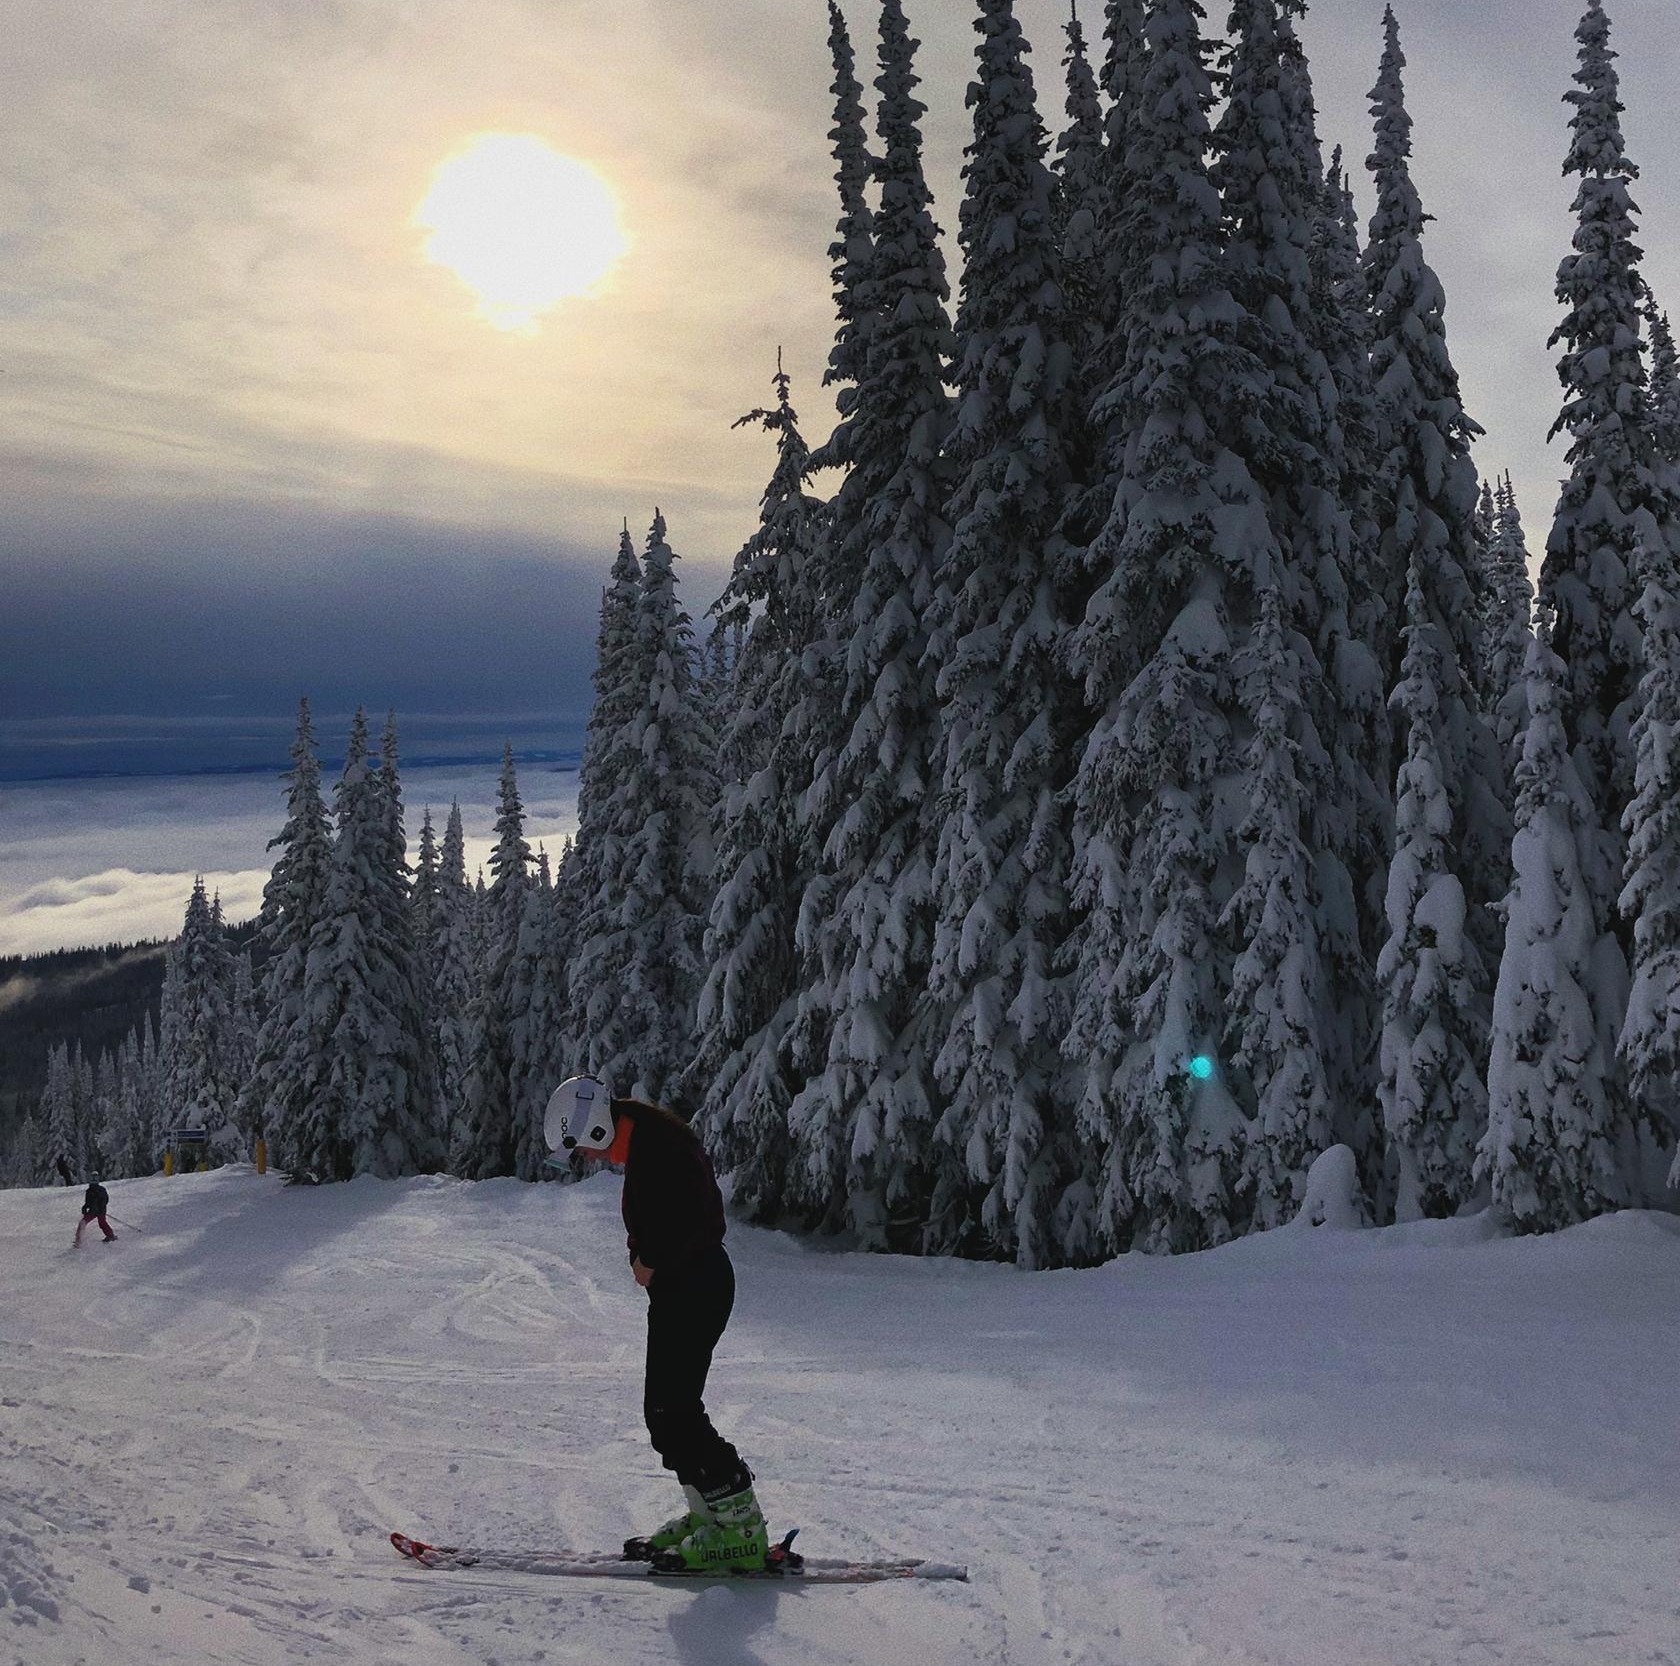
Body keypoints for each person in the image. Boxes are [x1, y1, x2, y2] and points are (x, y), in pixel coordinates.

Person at [545, 1075, 768, 1572]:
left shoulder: (659, 1148)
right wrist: (644, 1255)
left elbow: (697, 1219)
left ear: (599, 1128)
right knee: (665, 1414)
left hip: (697, 1286)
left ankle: (741, 1530)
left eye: (585, 1147)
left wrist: (650, 1257)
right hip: (684, 1287)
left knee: (676, 1413)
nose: (591, 1158)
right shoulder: (646, 1145)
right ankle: (711, 1513)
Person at [75, 1177, 116, 1245]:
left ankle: (110, 1236)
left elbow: (105, 1200)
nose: (93, 1182)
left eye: (94, 1180)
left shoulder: (101, 1190)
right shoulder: (89, 1191)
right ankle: (78, 1239)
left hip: (100, 1211)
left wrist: (100, 1208)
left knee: (102, 1223)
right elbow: (88, 1202)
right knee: (83, 1222)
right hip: (92, 1211)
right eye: (92, 1180)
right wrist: (85, 1207)